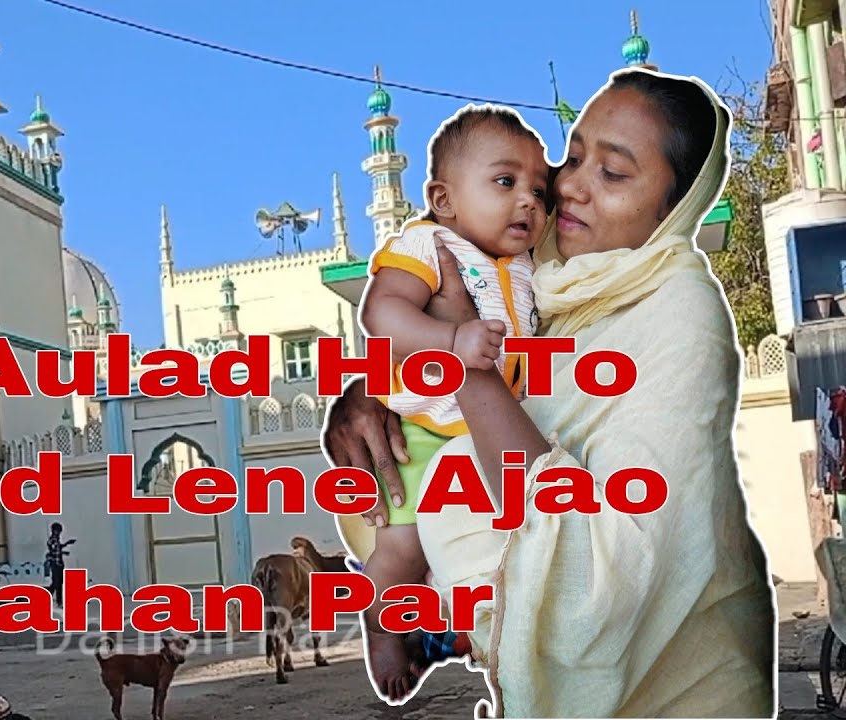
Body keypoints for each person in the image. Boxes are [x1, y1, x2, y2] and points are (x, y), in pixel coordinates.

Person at [325, 67, 776, 718]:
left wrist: (465, 363)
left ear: (670, 209)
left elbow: (612, 573)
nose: (570, 188)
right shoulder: (550, 282)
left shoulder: (677, 316)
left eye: (613, 173)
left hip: (681, 693)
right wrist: (370, 395)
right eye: (577, 157)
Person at [352, 104, 551, 702]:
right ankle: (379, 620)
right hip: (423, 426)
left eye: (540, 191)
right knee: (406, 545)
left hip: (489, 434)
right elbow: (381, 313)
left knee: (502, 549)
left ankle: (450, 635)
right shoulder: (426, 242)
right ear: (443, 198)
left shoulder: (524, 266)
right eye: (505, 181)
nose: (527, 202)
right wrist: (450, 340)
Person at [44, 522, 75, 608]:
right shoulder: (53, 539)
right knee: (58, 583)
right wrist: (63, 551)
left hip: (58, 563)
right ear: (54, 531)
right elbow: (54, 551)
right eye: (58, 531)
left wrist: (66, 544)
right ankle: (59, 601)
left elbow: (57, 549)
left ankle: (46, 596)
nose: (59, 532)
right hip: (56, 564)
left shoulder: (55, 539)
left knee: (56, 583)